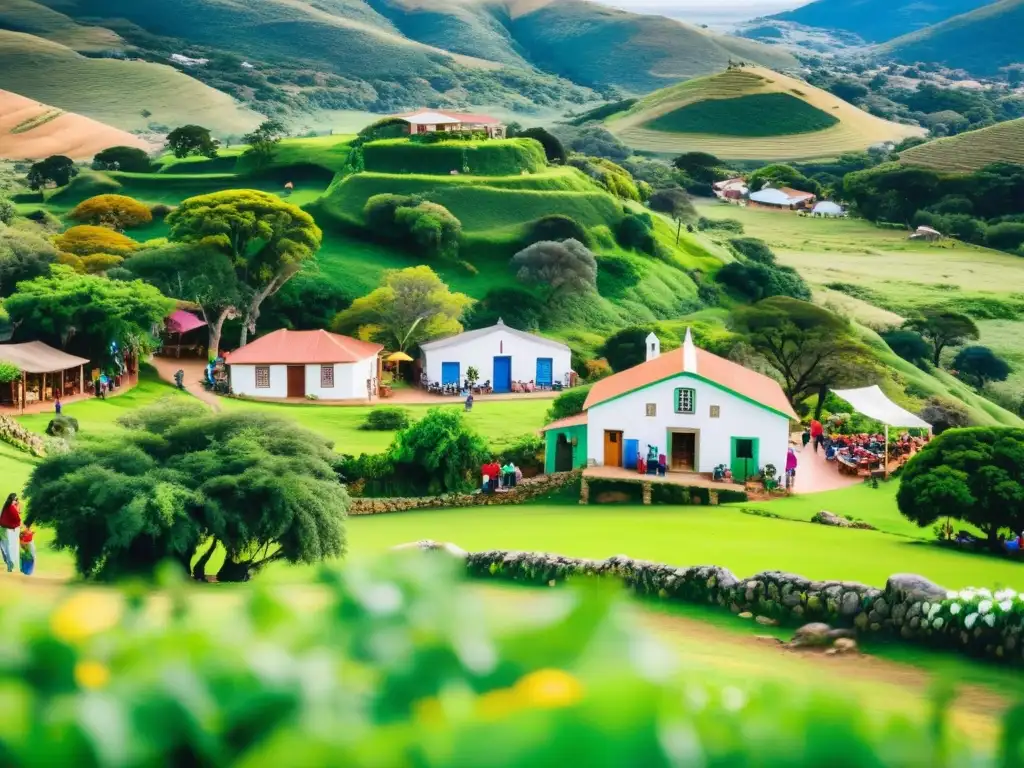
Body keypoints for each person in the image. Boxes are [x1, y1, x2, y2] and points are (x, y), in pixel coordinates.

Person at [0, 493, 21, 573]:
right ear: (12, 500)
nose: (17, 501)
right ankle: (10, 564)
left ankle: (9, 563)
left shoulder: (6, 506)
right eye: (16, 500)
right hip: (8, 530)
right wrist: (17, 508)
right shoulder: (12, 508)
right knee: (9, 547)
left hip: (4, 529)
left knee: (5, 547)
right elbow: (17, 519)